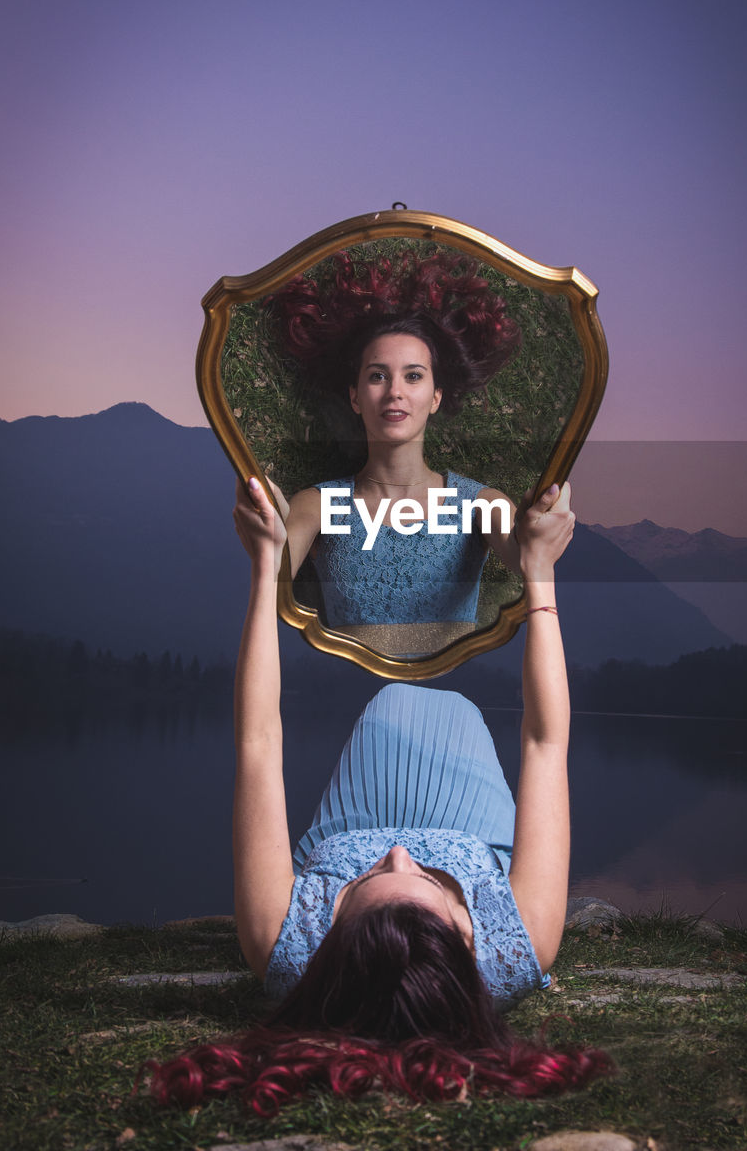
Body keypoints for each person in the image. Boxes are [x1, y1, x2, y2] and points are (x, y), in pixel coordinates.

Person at [146, 475, 612, 1115]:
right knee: (450, 715)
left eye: (368, 885)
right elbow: (544, 743)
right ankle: (425, 868)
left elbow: (257, 743)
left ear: (331, 940)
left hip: (354, 815)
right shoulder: (518, 941)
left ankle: (389, 870)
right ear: (468, 938)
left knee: (391, 700)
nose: (396, 853)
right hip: (471, 828)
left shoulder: (281, 943)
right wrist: (539, 575)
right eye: (422, 880)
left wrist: (265, 568)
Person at [264, 250, 525, 652]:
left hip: (451, 709)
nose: (395, 392)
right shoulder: (317, 505)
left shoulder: (482, 506)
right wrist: (264, 545)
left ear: (436, 397)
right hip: (348, 706)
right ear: (355, 397)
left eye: (414, 376)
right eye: (378, 376)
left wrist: (542, 536)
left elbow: (531, 563)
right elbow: (268, 592)